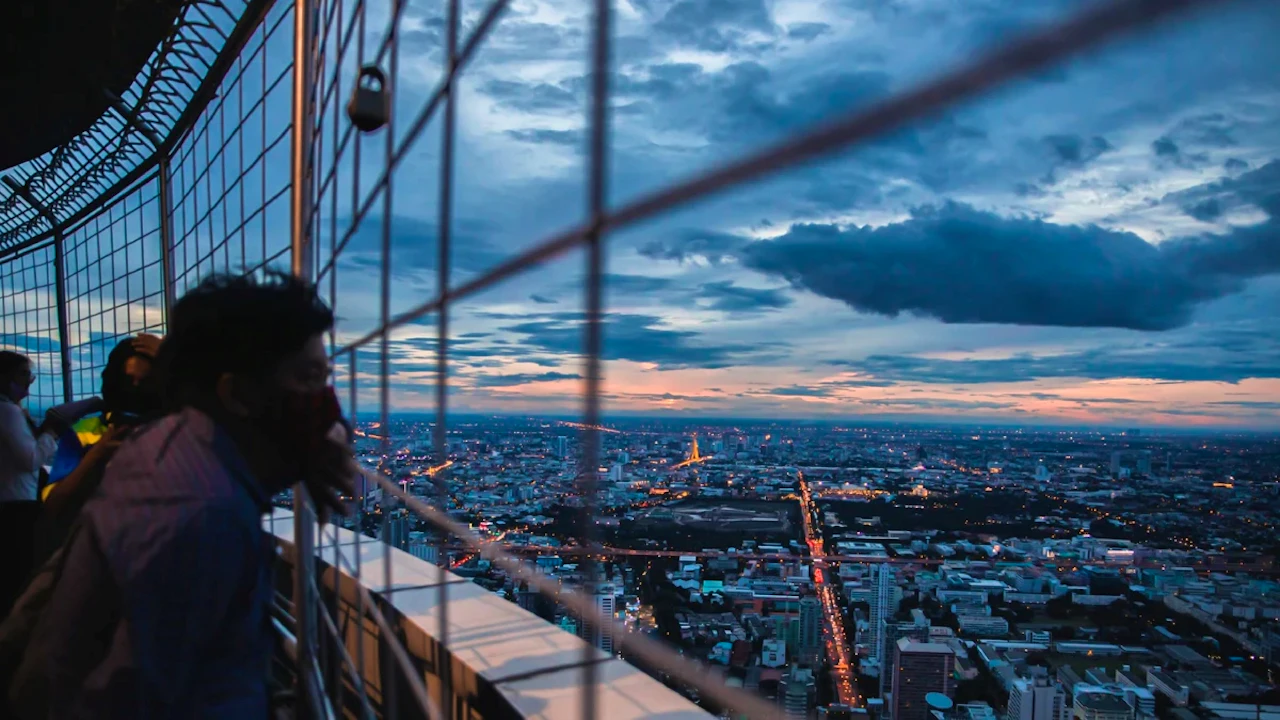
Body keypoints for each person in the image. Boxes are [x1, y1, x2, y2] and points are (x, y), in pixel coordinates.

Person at [27, 272, 356, 719]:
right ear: (236, 393)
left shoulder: (170, 449)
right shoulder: (201, 516)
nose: (325, 401)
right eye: (308, 377)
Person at [31, 335, 164, 569]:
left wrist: (171, 361)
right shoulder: (85, 433)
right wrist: (95, 456)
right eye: (128, 380)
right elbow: (53, 505)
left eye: (145, 383)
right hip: (94, 560)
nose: (134, 389)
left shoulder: (176, 431)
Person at [0, 352, 102, 617]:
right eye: (24, 374)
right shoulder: (8, 412)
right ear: (5, 377)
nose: (29, 381)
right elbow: (31, 460)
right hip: (15, 507)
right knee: (17, 579)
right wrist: (53, 431)